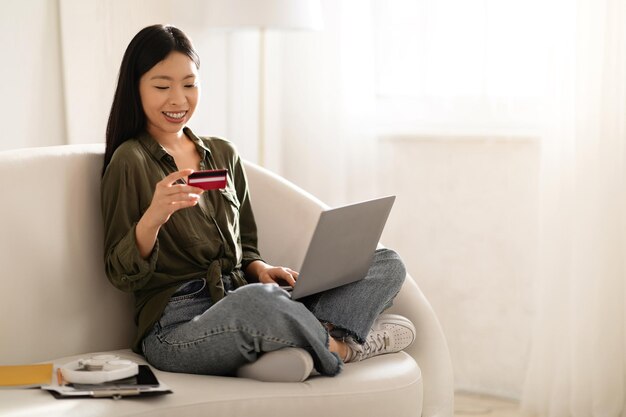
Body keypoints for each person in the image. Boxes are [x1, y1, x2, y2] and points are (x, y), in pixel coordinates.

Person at [101, 24, 416, 382]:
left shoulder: (222, 153)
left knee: (384, 261)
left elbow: (246, 245)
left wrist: (261, 269)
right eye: (162, 86)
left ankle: (301, 339)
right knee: (260, 304)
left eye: (189, 84)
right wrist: (154, 217)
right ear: (136, 87)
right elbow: (120, 272)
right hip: (178, 324)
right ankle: (342, 347)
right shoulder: (130, 161)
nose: (178, 100)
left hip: (245, 293)